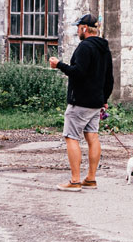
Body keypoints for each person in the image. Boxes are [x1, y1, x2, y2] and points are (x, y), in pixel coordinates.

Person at [48, 13, 114, 191]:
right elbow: (109, 78)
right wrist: (104, 100)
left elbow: (78, 72)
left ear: (85, 28)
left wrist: (59, 65)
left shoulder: (85, 47)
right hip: (95, 102)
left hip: (80, 102)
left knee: (71, 137)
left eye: (78, 27)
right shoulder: (104, 48)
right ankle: (90, 178)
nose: (77, 30)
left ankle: (75, 180)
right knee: (92, 137)